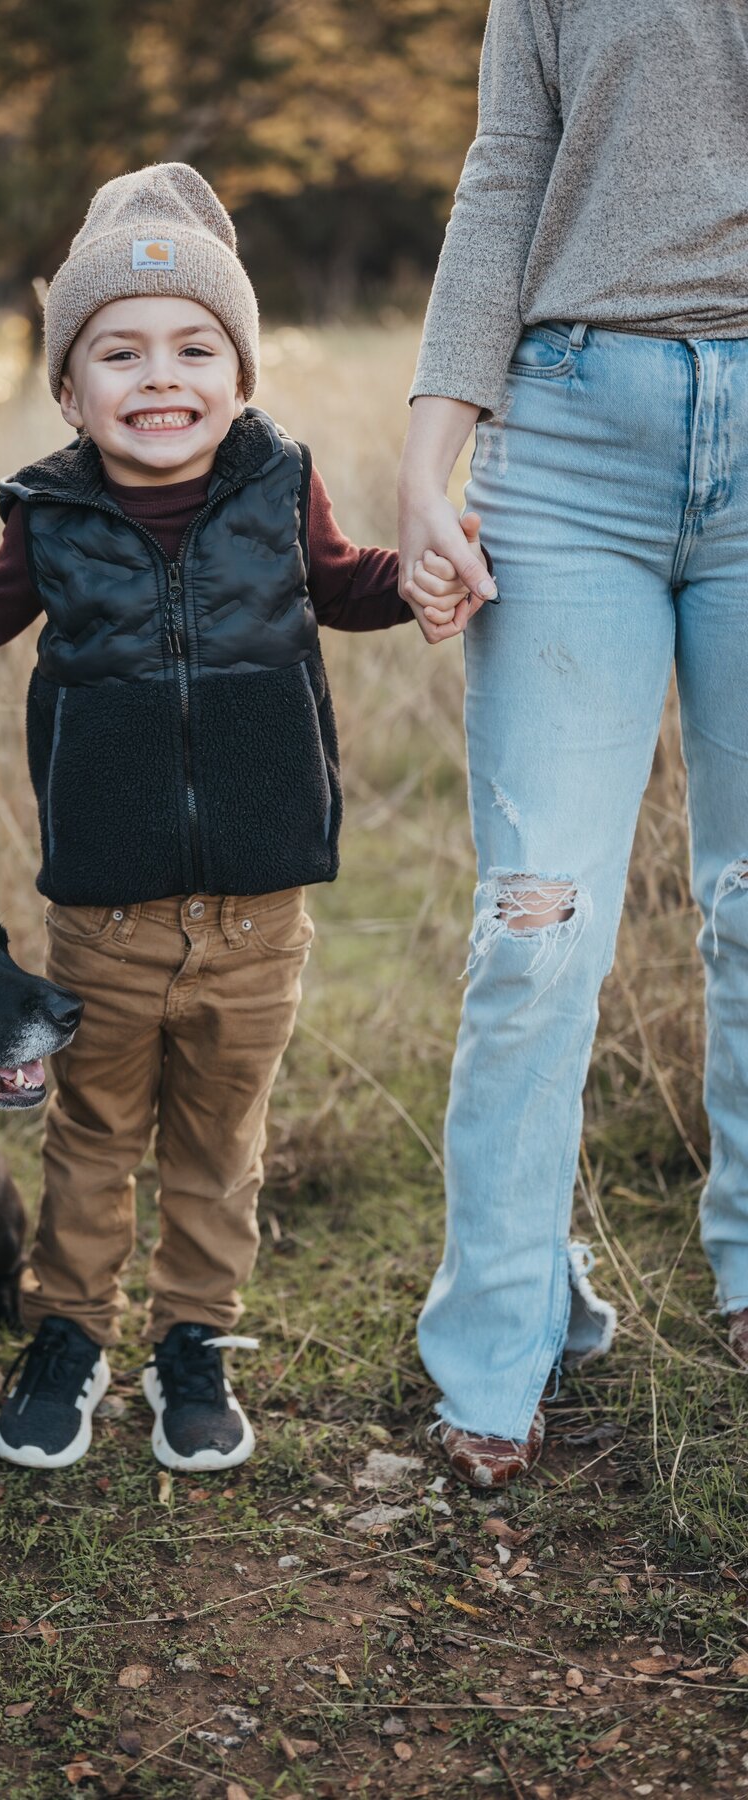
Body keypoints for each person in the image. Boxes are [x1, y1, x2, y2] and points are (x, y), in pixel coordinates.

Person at [0, 161, 476, 1472]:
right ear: (69, 388)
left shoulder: (279, 484)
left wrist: (426, 575)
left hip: (262, 909)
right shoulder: (52, 509)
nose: (162, 379)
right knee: (91, 1134)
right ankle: (69, 1331)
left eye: (196, 348)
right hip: (102, 914)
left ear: (243, 372)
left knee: (219, 1141)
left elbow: (344, 582)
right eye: (120, 353)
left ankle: (193, 1336)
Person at [397, 0, 748, 1487]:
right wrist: (429, 466)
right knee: (536, 925)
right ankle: (497, 1345)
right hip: (566, 444)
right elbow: (503, 176)